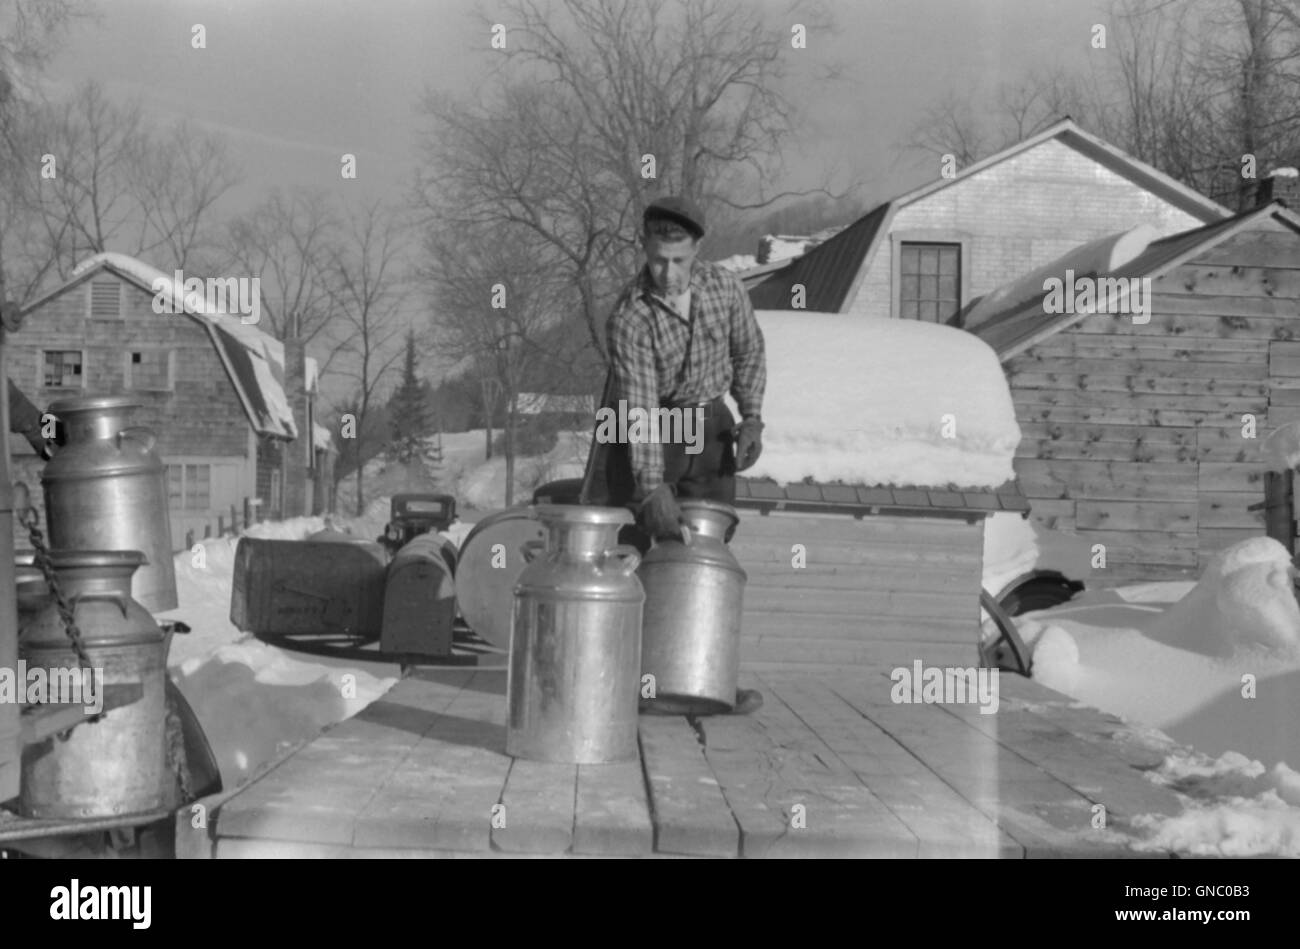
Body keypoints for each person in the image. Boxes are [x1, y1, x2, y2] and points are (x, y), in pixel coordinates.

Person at [579, 195, 767, 715]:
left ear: (697, 251)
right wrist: (651, 487)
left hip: (709, 423)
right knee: (642, 547)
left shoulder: (725, 287)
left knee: (709, 545)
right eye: (658, 259)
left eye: (679, 261)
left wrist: (750, 415)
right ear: (644, 249)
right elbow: (637, 408)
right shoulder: (630, 315)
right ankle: (628, 683)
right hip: (654, 425)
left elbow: (748, 349)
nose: (667, 272)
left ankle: (705, 678)